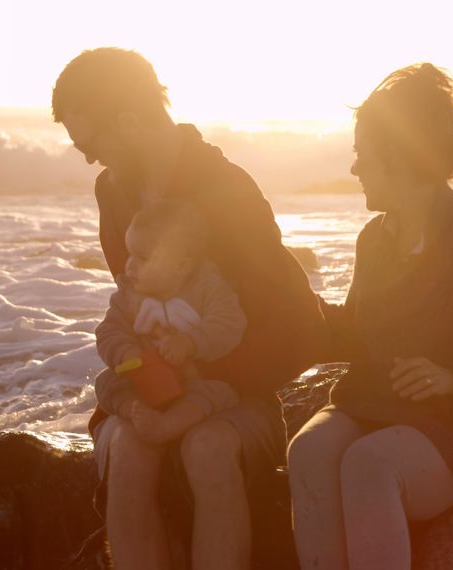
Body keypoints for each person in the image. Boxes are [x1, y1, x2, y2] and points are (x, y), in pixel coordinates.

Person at [52, 47, 326, 570]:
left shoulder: (227, 191)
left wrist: (198, 383)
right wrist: (144, 385)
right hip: (149, 386)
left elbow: (300, 326)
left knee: (204, 447)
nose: (89, 159)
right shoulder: (112, 190)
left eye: (91, 144)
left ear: (129, 121)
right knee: (131, 448)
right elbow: (130, 308)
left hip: (233, 393)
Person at [287, 63, 453, 570]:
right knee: (309, 450)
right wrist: (295, 300)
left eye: (362, 153)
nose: (355, 168)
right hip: (376, 408)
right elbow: (357, 337)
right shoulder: (374, 240)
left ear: (400, 155)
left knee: (369, 464)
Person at [94, 200, 246, 448]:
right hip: (144, 378)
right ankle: (135, 411)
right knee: (106, 382)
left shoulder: (208, 288)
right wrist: (127, 353)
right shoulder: (127, 297)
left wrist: (190, 342)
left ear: (181, 266)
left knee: (218, 392)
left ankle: (166, 426)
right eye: (130, 253)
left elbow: (229, 323)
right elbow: (108, 331)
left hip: (193, 377)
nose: (130, 264)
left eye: (143, 257)